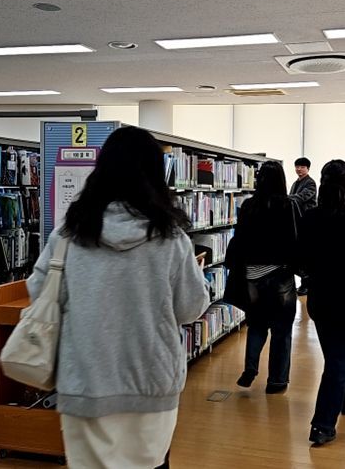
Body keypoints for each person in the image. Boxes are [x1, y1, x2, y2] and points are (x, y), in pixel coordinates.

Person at [26, 126, 211, 469]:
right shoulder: (171, 240)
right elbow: (190, 308)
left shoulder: (68, 235)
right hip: (151, 384)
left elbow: (40, 292)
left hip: (84, 382)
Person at [298, 160, 345, 446]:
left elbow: (301, 259)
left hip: (320, 297)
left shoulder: (311, 218)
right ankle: (322, 425)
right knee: (337, 359)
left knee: (335, 356)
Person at [227, 161, 299, 394]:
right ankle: (276, 381)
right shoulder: (288, 205)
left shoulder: (249, 205)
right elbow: (295, 239)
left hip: (252, 276)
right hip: (280, 275)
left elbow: (239, 239)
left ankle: (250, 368)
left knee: (257, 324)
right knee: (282, 330)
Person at [290, 157, 317, 296]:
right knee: (299, 255)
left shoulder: (310, 182)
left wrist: (287, 198)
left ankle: (307, 284)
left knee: (306, 255)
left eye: (302, 167)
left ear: (308, 168)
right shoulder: (295, 183)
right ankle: (304, 283)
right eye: (297, 166)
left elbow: (302, 197)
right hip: (298, 221)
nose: (299, 169)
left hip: (307, 221)